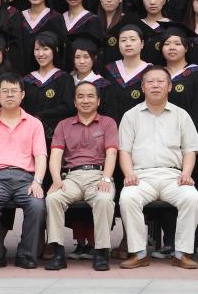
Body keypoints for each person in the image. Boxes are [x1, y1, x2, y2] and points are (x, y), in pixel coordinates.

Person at [116, 66, 198, 270]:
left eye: (160, 81)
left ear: (170, 87)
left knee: (192, 198)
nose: (155, 85)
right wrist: (129, 174)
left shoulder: (181, 115)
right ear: (142, 87)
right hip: (141, 176)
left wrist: (186, 174)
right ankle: (139, 253)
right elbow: (124, 151)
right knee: (127, 198)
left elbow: (190, 150)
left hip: (173, 176)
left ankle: (181, 254)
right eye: (150, 81)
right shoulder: (130, 116)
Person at [0, 74, 48, 270]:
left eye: (14, 91)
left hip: (26, 179)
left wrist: (37, 182)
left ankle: (26, 255)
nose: (9, 95)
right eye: (4, 91)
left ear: (22, 95)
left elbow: (41, 156)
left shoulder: (34, 123)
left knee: (37, 205)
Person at [45, 80, 119, 271]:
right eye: (81, 96)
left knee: (104, 199)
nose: (85, 100)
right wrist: (56, 180)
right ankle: (58, 252)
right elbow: (55, 155)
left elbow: (112, 153)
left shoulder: (108, 123)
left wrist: (106, 178)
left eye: (90, 96)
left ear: (98, 101)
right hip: (72, 177)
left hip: (98, 175)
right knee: (53, 198)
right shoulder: (64, 125)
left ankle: (101, 252)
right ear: (75, 102)